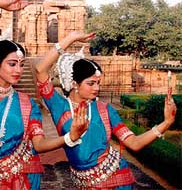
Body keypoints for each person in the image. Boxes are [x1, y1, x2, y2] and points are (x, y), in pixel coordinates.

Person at [35, 31, 177, 189]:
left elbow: (134, 143)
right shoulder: (58, 105)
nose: (97, 88)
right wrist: (71, 38)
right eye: (91, 83)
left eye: (98, 83)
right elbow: (40, 69)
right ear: (75, 83)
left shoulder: (104, 110)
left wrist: (166, 122)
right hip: (83, 181)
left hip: (115, 178)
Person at [0, 0, 69, 190]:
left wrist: (69, 137)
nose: (18, 70)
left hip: (25, 177)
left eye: (21, 64)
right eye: (12, 64)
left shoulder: (28, 103)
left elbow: (39, 144)